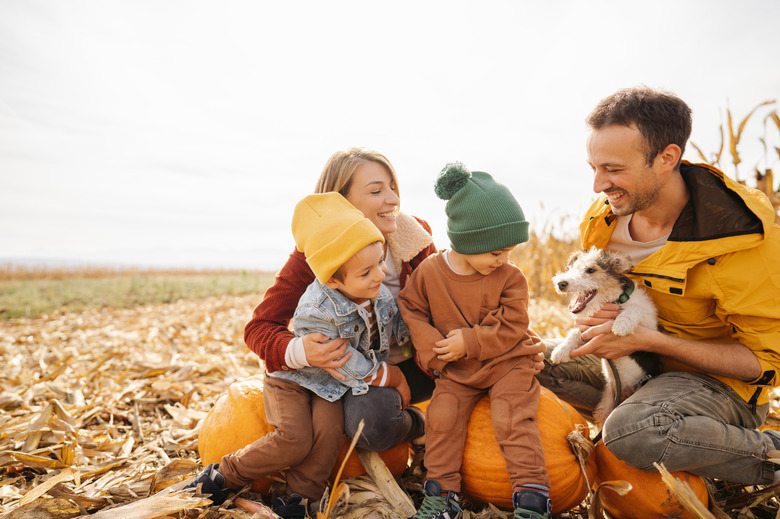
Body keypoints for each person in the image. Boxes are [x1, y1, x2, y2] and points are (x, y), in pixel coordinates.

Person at [538, 86, 780, 486]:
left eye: (613, 169)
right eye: (593, 167)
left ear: (667, 158)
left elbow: (766, 363)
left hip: (717, 386)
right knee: (517, 358)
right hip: (631, 368)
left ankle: (766, 454)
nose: (598, 185)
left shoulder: (743, 238)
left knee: (633, 431)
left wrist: (649, 342)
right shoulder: (603, 219)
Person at [186, 192, 411, 517]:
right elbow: (345, 361)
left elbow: (397, 327)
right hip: (295, 377)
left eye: (381, 264)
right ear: (332, 279)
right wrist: (393, 375)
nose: (379, 275)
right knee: (295, 439)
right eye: (367, 272)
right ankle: (224, 475)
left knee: (327, 435)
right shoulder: (318, 304)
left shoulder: (377, 284)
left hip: (328, 384)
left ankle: (298, 501)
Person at [244, 148, 437, 451]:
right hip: (365, 377)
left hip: (420, 366)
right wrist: (301, 350)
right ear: (340, 202)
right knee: (369, 424)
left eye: (393, 188)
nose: (394, 200)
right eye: (376, 190)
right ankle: (421, 426)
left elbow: (451, 299)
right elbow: (259, 327)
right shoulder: (319, 254)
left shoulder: (416, 236)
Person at [399, 162, 551, 519]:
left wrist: (469, 340)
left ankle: (532, 497)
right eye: (497, 252)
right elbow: (411, 308)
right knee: (442, 417)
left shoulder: (510, 277)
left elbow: (514, 323)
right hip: (458, 370)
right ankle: (442, 497)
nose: (504, 260)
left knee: (511, 418)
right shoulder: (430, 274)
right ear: (468, 240)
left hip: (508, 362)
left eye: (509, 252)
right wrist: (434, 349)